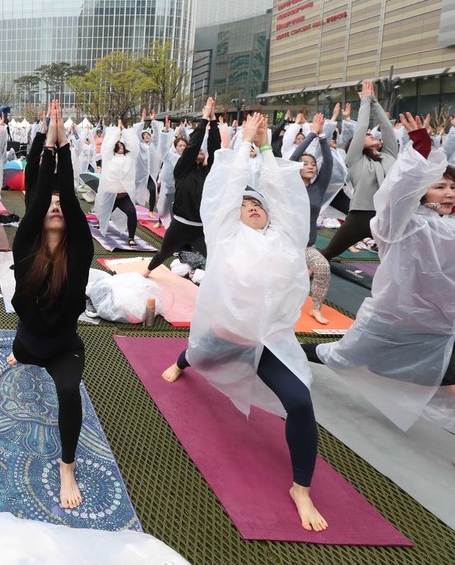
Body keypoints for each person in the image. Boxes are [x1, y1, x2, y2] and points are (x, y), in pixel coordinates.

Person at [162, 113, 327, 532]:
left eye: (258, 205)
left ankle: (301, 488)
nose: (252, 208)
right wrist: (240, 149)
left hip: (269, 339)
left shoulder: (285, 237)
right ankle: (183, 362)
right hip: (226, 329)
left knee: (301, 402)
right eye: (245, 205)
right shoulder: (225, 235)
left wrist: (269, 150)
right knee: (200, 353)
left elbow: (286, 196)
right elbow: (223, 192)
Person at [304, 113, 455, 434]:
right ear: (421, 190)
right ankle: (275, 353)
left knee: (440, 376)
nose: (449, 192)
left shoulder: (448, 225)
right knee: (339, 357)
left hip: (437, 325)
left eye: (453, 187)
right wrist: (422, 146)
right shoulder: (402, 222)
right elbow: (398, 192)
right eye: (440, 186)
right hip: (393, 317)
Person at [7, 100, 93, 510]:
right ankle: (15, 351)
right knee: (21, 350)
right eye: (50, 205)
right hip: (27, 342)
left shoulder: (79, 253)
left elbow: (72, 203)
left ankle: (66, 465)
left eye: (60, 204)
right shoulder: (26, 247)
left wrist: (64, 152)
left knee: (68, 392)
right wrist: (47, 149)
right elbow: (38, 197)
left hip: (62, 345)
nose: (55, 206)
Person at [143, 98, 221, 277]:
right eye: (197, 151)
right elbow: (192, 146)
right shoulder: (182, 170)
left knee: (215, 259)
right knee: (164, 253)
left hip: (201, 229)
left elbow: (215, 149)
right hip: (180, 225)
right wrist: (203, 119)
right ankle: (146, 273)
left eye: (203, 151)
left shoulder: (210, 171)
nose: (200, 151)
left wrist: (213, 121)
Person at [321, 80, 398, 260]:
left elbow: (387, 127)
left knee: (396, 259)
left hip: (388, 216)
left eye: (371, 134)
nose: (370, 134)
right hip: (360, 216)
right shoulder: (354, 159)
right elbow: (361, 127)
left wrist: (374, 102)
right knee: (329, 253)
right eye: (366, 136)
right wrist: (364, 102)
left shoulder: (389, 155)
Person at [287, 113, 335, 324]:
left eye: (313, 164)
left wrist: (323, 136)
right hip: (285, 244)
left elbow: (329, 163)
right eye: (305, 163)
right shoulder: (289, 186)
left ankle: (316, 307)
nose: (311, 166)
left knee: (323, 267)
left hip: (307, 246)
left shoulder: (317, 189)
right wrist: (311, 134)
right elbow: (292, 158)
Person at [95, 119, 141, 245]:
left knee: (132, 213)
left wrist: (125, 131)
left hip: (123, 196)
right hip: (111, 195)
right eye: (118, 145)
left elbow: (134, 145)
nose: (121, 147)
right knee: (103, 214)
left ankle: (131, 237)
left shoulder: (130, 158)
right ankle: (101, 224)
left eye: (122, 145)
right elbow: (107, 146)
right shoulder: (109, 158)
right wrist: (116, 132)